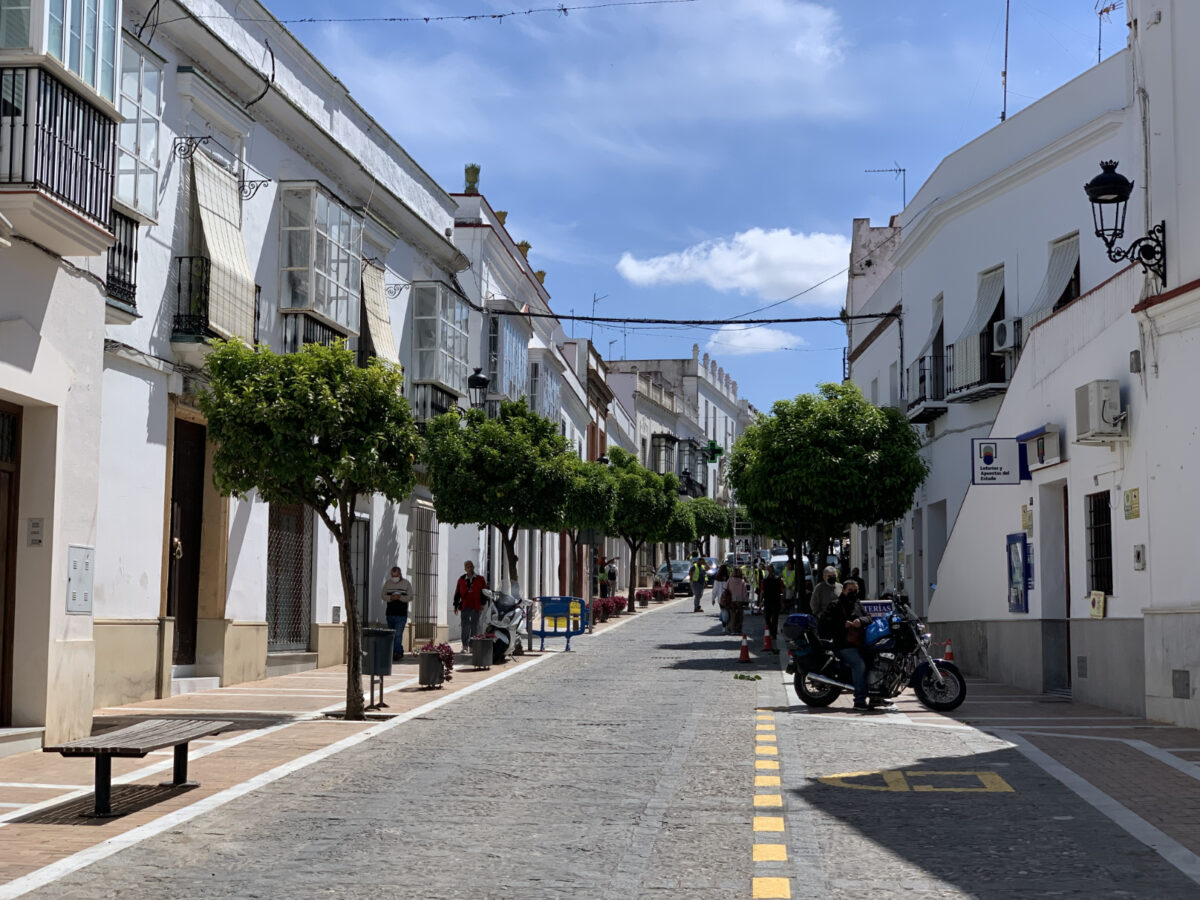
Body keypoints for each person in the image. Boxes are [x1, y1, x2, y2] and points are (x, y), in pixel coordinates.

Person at [819, 584, 871, 710]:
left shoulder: (858, 604)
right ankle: (859, 701)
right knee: (859, 665)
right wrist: (843, 624)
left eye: (855, 590)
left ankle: (876, 697)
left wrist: (861, 621)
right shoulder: (835, 605)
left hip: (860, 643)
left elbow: (869, 618)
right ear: (843, 590)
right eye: (850, 590)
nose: (852, 592)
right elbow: (825, 623)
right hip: (842, 644)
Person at [452, 560, 487, 654]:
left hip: (476, 606)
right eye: (467, 567)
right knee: (465, 626)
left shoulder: (480, 579)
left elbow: (484, 592)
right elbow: (457, 593)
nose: (469, 568)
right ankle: (465, 646)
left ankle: (472, 646)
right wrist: (455, 606)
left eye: (471, 566)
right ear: (465, 569)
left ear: (473, 567)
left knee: (474, 626)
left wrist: (482, 604)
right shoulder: (461, 579)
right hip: (465, 605)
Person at [381, 565, 412, 662]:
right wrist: (391, 598)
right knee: (391, 634)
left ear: (400, 574)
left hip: (401, 614)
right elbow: (383, 595)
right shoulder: (388, 583)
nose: (394, 578)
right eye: (392, 576)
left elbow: (410, 597)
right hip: (390, 613)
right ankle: (395, 651)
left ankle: (397, 653)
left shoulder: (406, 584)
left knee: (398, 634)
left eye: (396, 576)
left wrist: (400, 598)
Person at [761, 565, 783, 650]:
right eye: (768, 570)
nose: (769, 571)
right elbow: (762, 591)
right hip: (769, 601)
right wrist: (760, 601)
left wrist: (782, 600)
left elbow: (782, 590)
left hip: (774, 601)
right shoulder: (765, 581)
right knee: (768, 617)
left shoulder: (777, 580)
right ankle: (771, 631)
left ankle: (773, 633)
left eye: (770, 570)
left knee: (773, 617)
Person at [726, 566, 749, 635]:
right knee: (740, 615)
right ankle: (739, 628)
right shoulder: (742, 581)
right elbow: (744, 592)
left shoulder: (729, 580)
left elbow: (726, 589)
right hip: (740, 600)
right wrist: (746, 600)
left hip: (731, 600)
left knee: (732, 615)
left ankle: (732, 629)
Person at [711, 563, 730, 627]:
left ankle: (724, 624)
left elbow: (715, 590)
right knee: (727, 610)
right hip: (728, 598)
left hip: (720, 598)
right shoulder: (728, 578)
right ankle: (727, 622)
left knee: (723, 610)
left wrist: (713, 599)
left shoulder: (717, 579)